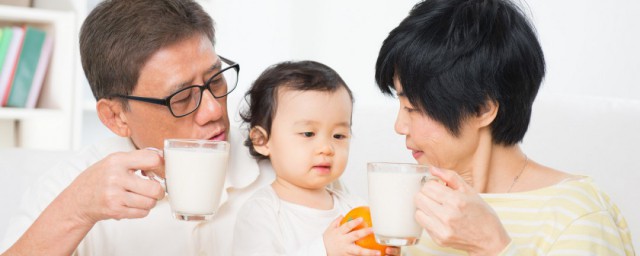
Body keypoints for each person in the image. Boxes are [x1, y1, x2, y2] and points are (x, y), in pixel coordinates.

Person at [0, 0, 275, 255]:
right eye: (180, 98)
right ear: (116, 117)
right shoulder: (73, 191)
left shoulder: (282, 157)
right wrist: (76, 211)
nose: (214, 110)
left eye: (215, 79)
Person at [374, 0, 635, 255]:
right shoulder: (416, 206)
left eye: (413, 108)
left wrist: (492, 246)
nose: (399, 126)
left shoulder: (576, 215)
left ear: (482, 109)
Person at [230, 61, 396, 256]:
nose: (326, 148)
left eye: (339, 135)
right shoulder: (260, 213)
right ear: (262, 140)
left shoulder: (355, 208)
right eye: (308, 134)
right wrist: (324, 250)